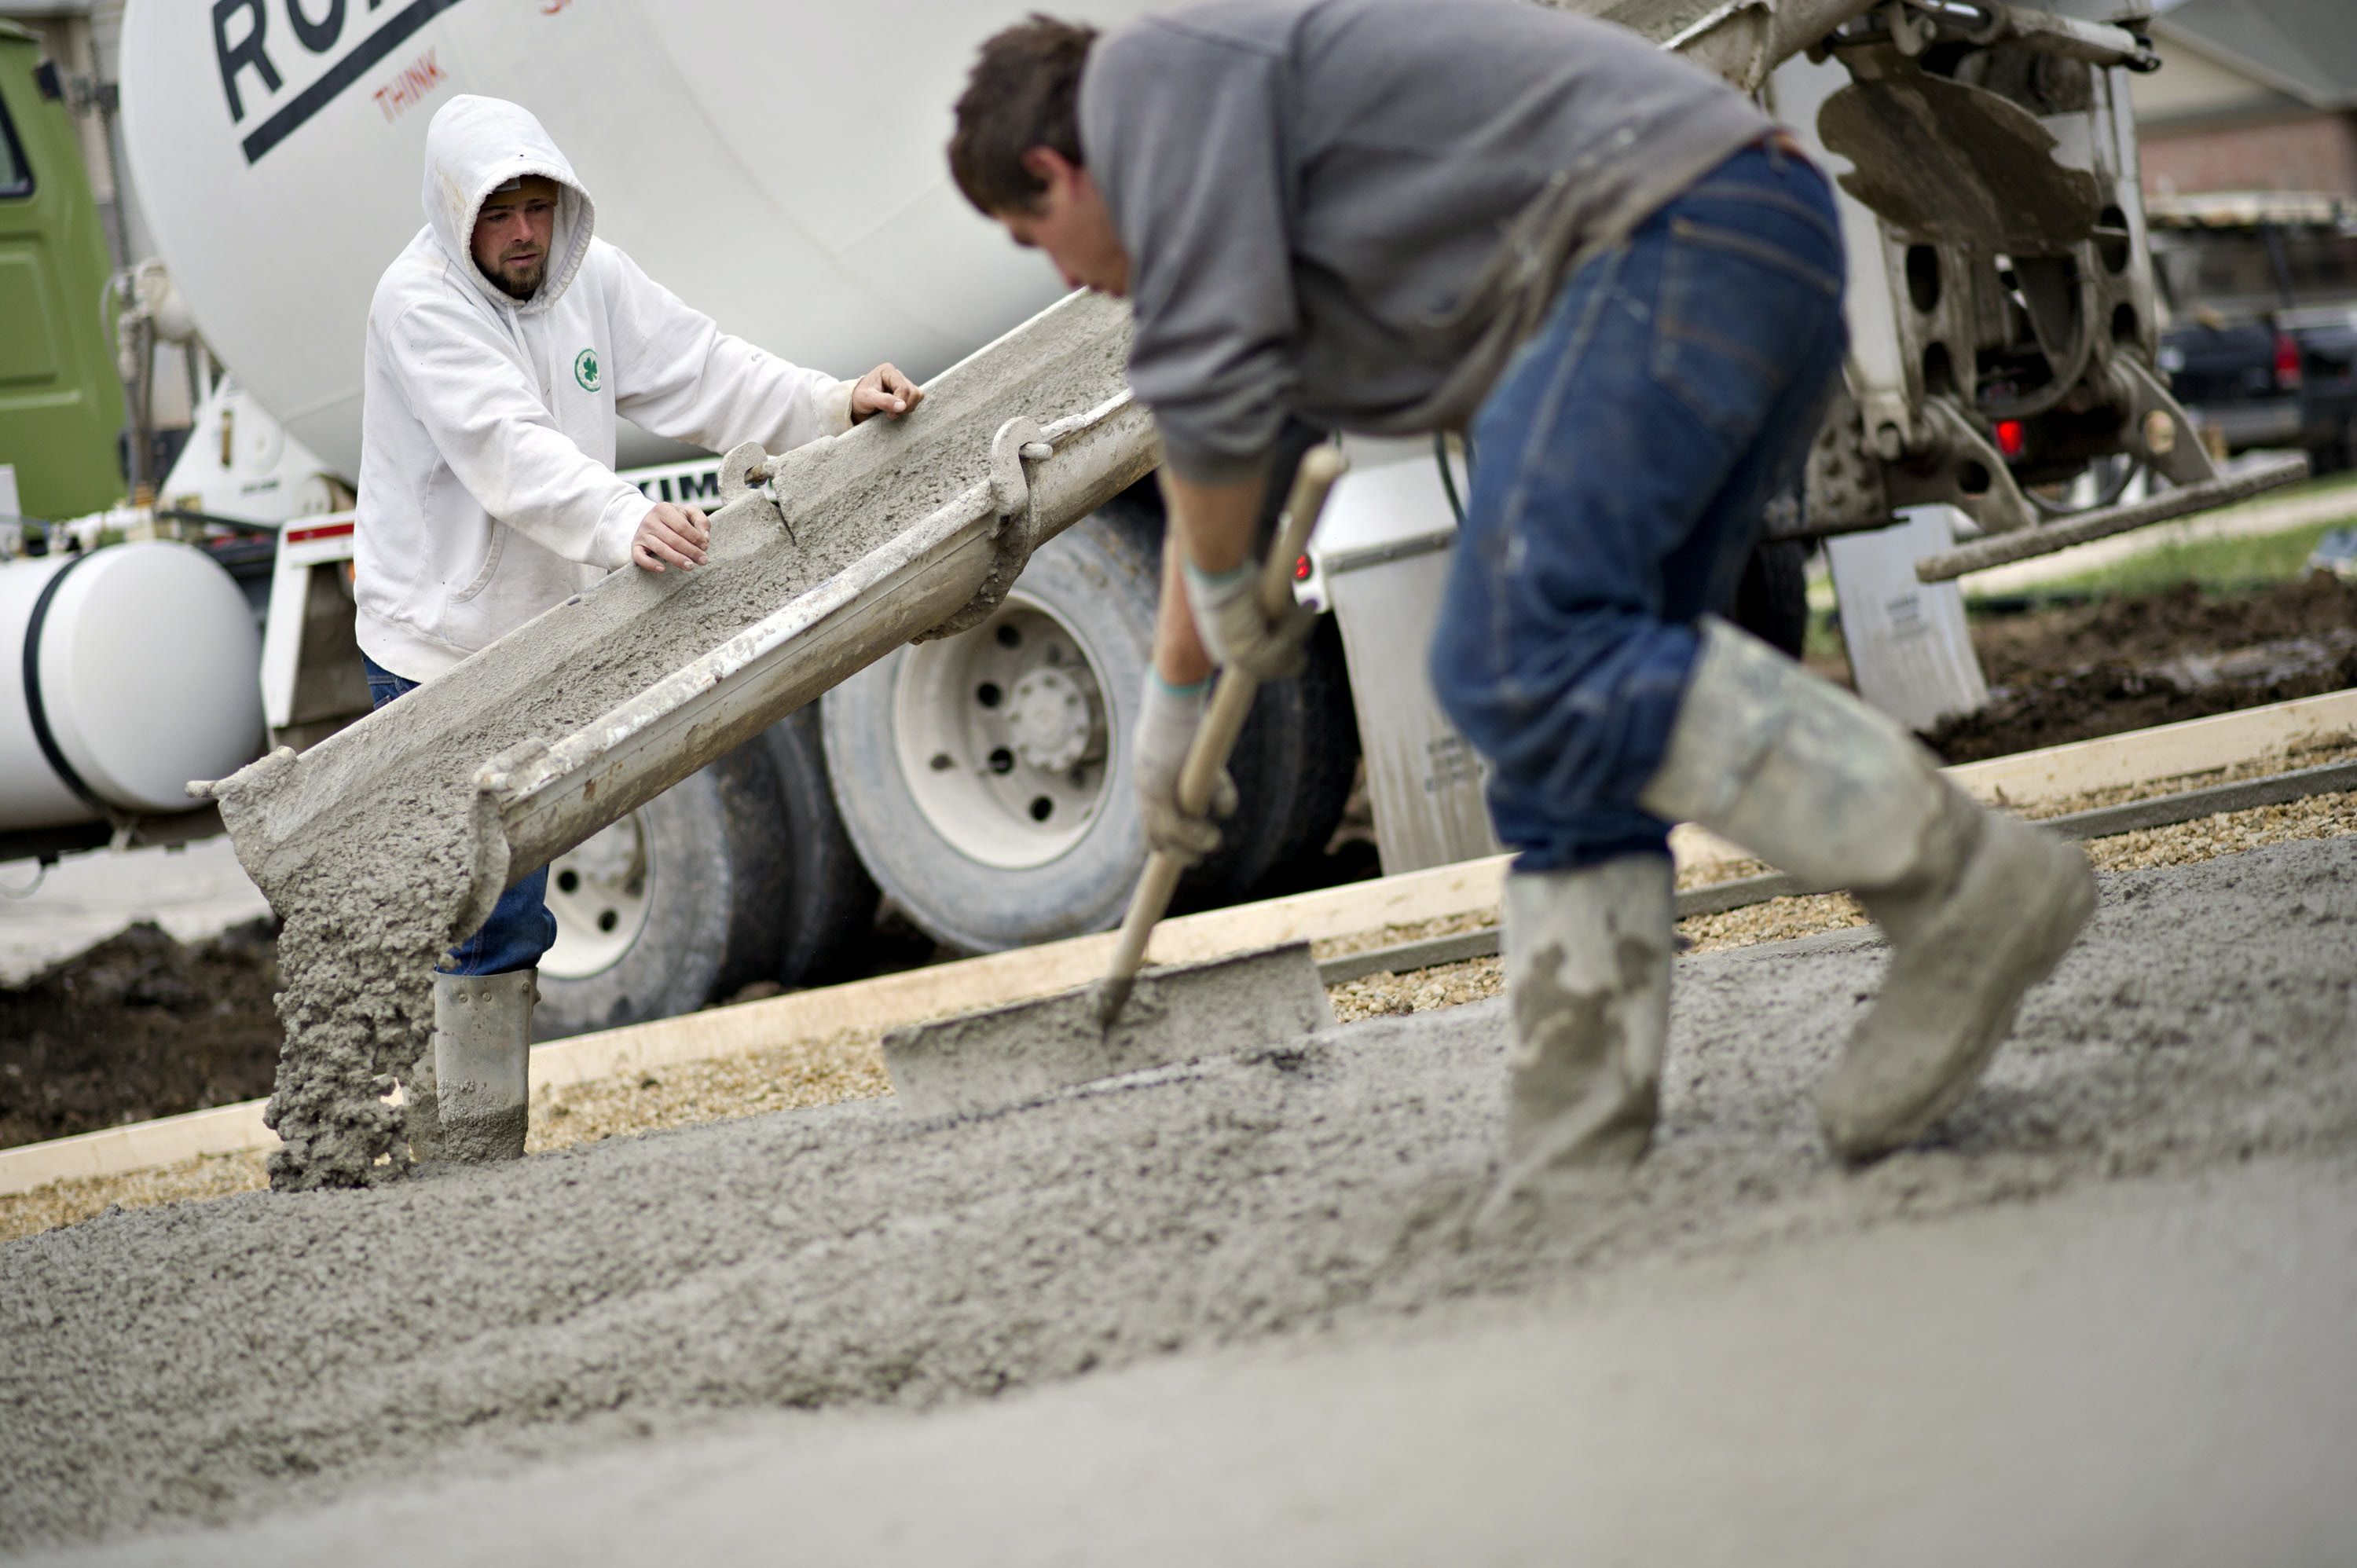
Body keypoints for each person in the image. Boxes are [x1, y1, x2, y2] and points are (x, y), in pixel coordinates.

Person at [948, 1, 2094, 1179]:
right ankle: (1579, 1133)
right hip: (1728, 251)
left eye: (1035, 237)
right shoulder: (1240, 187)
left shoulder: (1148, 86)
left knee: (1517, 652)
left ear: (1053, 169)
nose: (1067, 278)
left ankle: (1960, 885)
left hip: (1672, 239)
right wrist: (1186, 687)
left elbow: (1197, 399)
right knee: (1562, 733)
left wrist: (1179, 695)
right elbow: (1236, 445)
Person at [354, 94, 922, 1110]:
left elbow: (703, 369)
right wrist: (621, 521)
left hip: (540, 633)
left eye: (537, 207)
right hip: (437, 650)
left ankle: (471, 1134)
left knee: (510, 905)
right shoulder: (418, 302)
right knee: (478, 904)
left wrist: (832, 405)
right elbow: (504, 448)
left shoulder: (589, 279)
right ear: (454, 215)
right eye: (499, 214)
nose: (524, 234)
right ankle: (443, 1136)